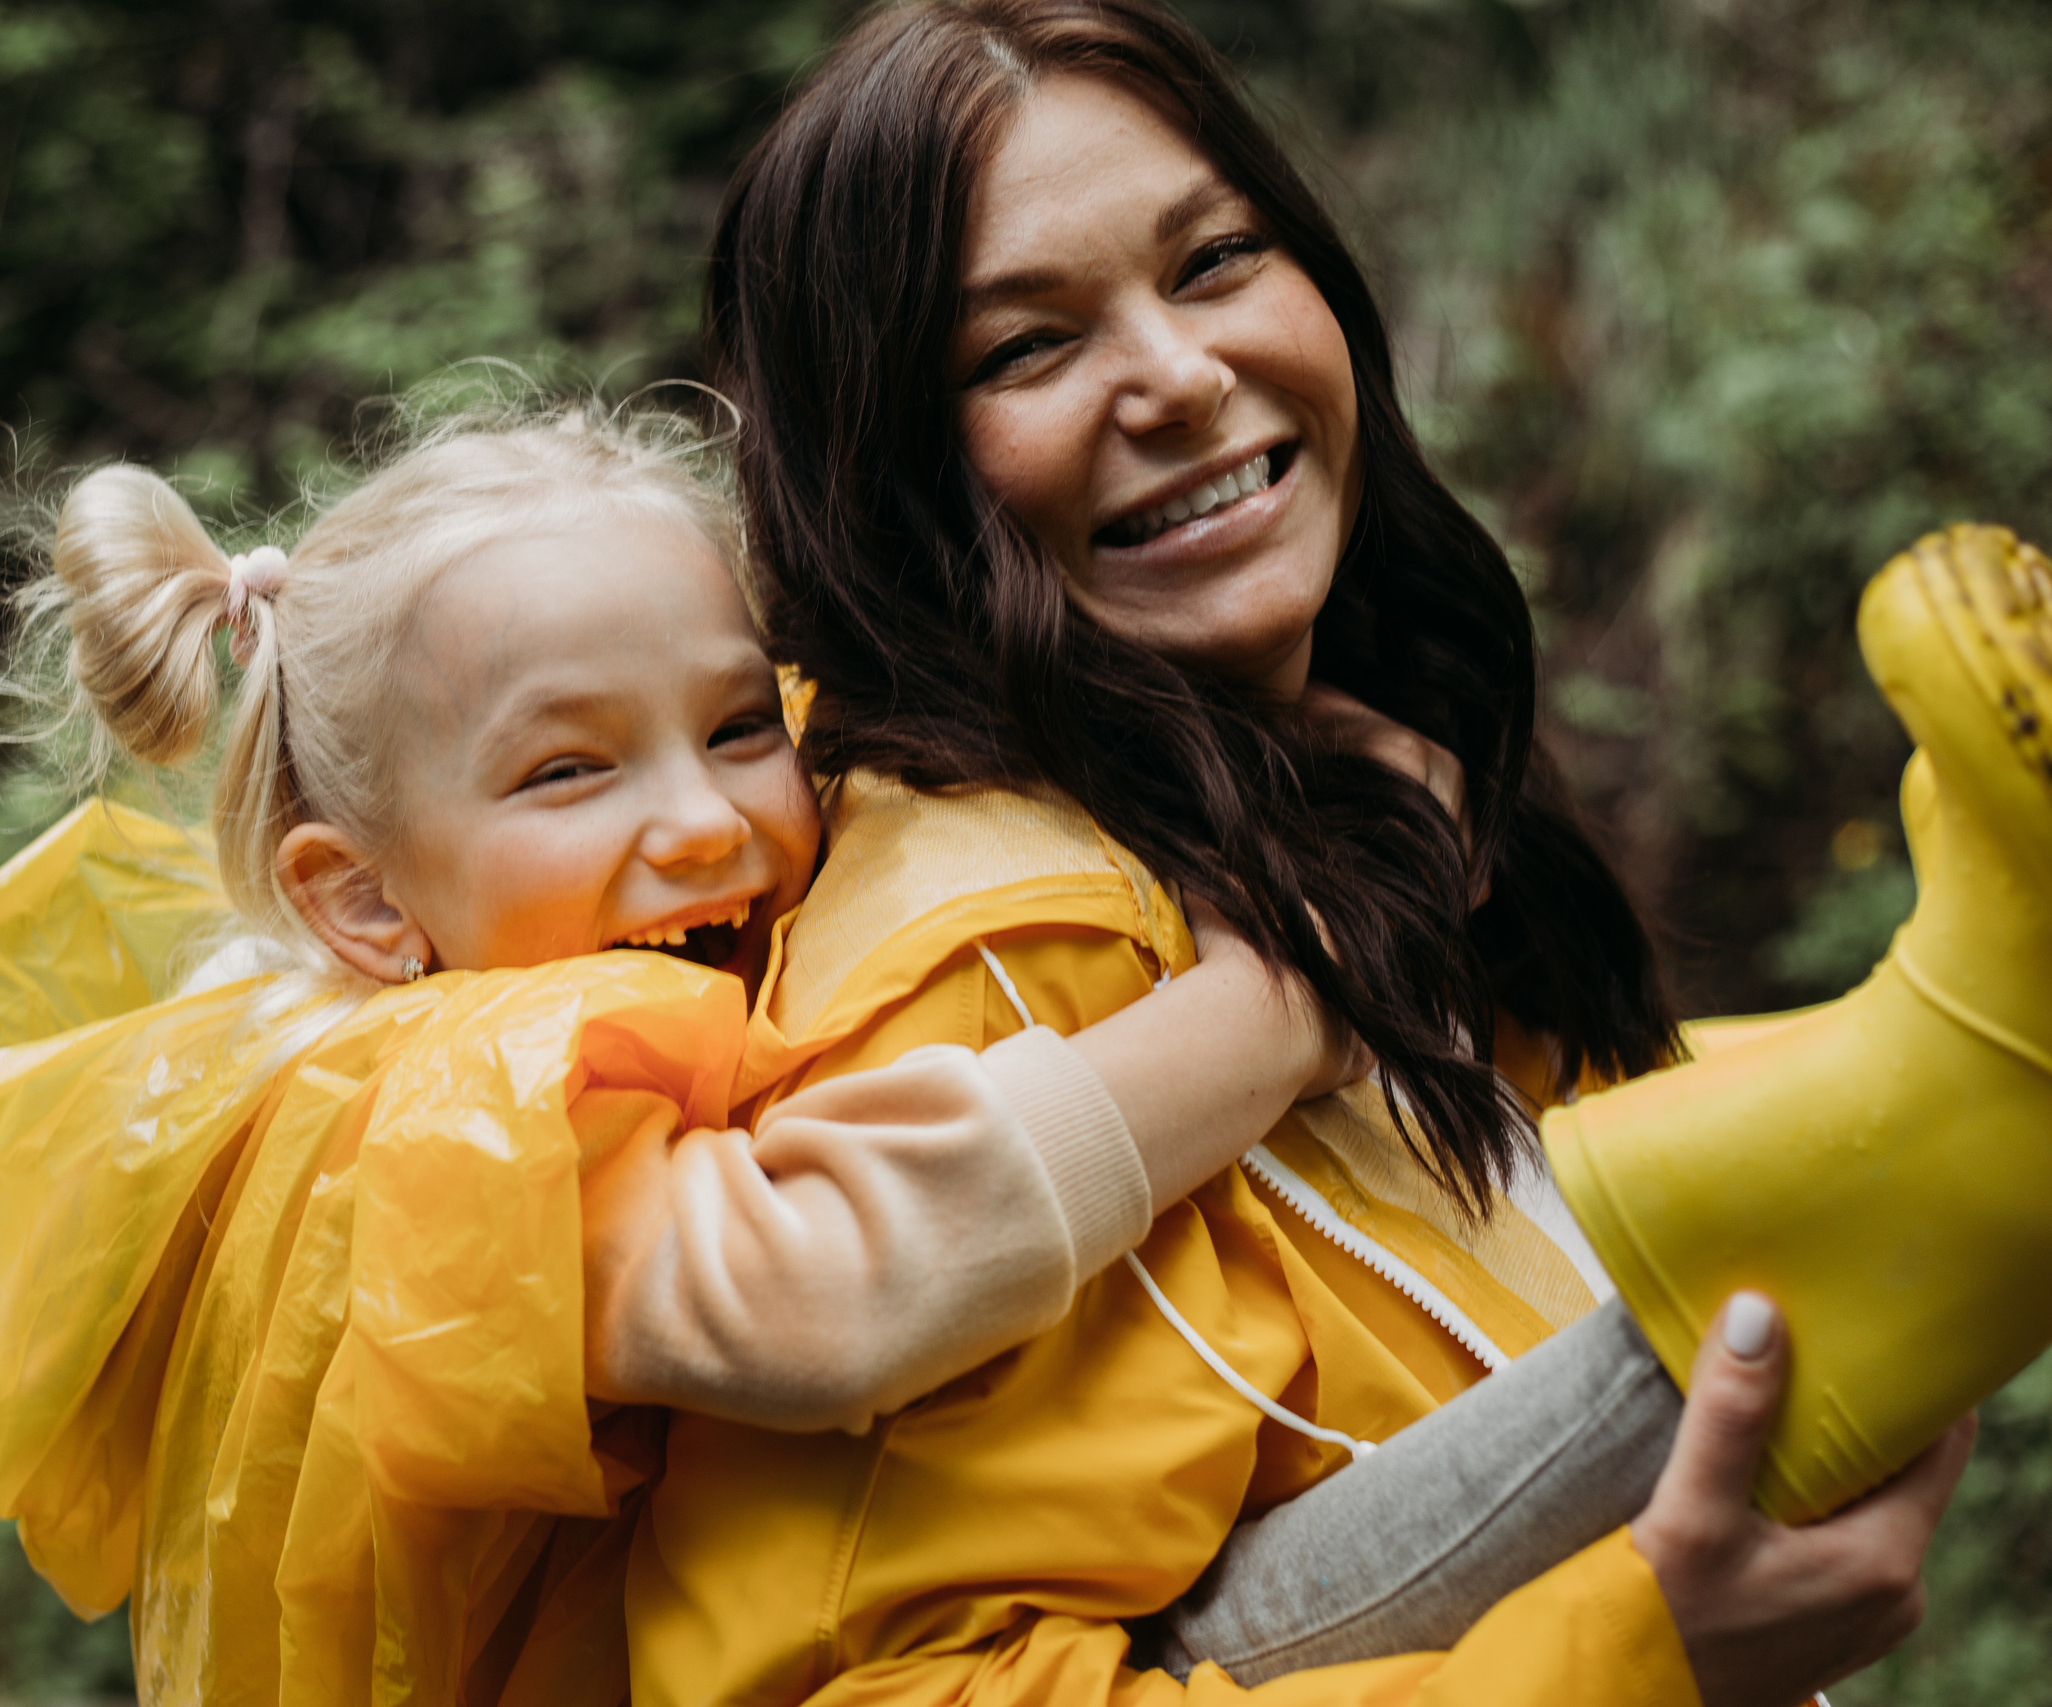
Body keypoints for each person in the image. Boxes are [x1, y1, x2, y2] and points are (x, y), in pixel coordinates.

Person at [626, 1, 2048, 1701]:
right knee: (1888, 1193)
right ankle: (1972, 1094)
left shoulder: (1342, 793)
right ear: (888, 478)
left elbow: (1510, 1244)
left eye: (1216, 257)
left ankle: (1944, 1081)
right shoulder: (991, 948)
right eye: (1023, 349)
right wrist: (1636, 1658)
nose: (1176, 373)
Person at [0, 402, 1394, 1705]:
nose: (700, 819)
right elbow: (822, 1286)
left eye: (743, 727)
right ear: (368, 903)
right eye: (564, 775)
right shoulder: (448, 1120)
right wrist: (1296, 1001)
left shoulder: (618, 952)